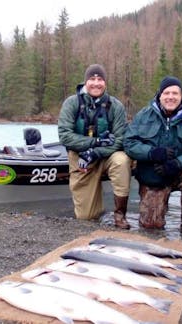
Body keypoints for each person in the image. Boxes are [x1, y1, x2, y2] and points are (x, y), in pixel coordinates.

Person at [123, 76, 182, 239]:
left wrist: (177, 163)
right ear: (160, 95)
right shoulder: (144, 116)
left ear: (181, 96)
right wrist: (152, 153)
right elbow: (129, 143)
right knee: (151, 229)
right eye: (167, 93)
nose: (171, 97)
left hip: (179, 171)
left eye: (175, 93)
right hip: (153, 174)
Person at [58, 64, 132, 229]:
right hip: (80, 159)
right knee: (86, 218)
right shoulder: (71, 103)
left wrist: (95, 152)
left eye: (100, 79)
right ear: (85, 82)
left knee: (122, 160)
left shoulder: (116, 106)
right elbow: (64, 136)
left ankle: (120, 215)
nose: (96, 83)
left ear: (105, 83)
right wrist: (95, 142)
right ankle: (96, 210)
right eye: (92, 79)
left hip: (107, 156)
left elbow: (120, 139)